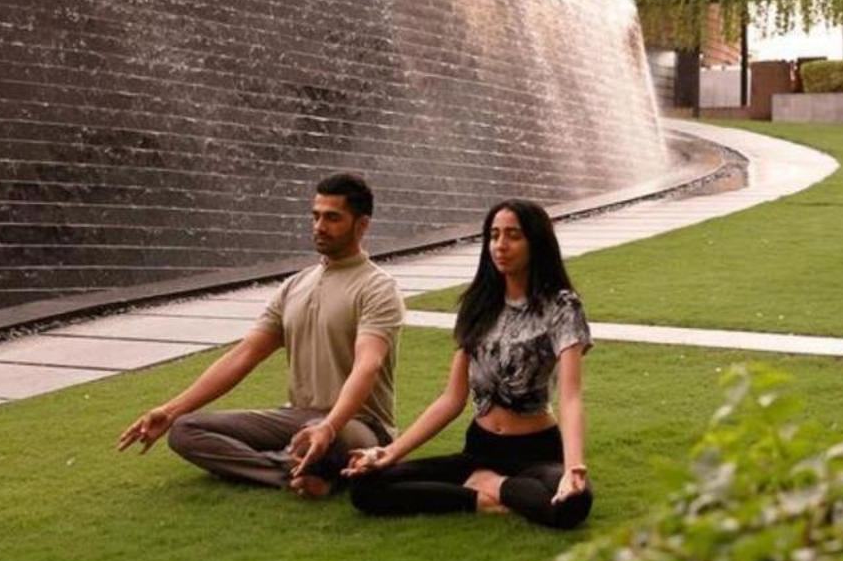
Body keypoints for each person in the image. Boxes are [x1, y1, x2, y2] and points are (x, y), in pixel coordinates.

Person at [115, 172, 402, 498]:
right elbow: (243, 355)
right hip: (298, 417)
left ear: (361, 225)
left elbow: (368, 365)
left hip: (359, 425)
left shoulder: (378, 288)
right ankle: (291, 472)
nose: (319, 226)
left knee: (328, 440)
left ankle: (319, 463)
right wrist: (170, 410)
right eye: (316, 216)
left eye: (332, 218)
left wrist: (329, 425)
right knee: (185, 431)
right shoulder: (294, 286)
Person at [344, 199, 592, 529]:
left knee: (574, 504)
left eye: (513, 236)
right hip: (480, 447)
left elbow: (570, 396)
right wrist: (389, 453)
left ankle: (491, 485)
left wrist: (573, 467)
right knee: (365, 486)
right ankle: (475, 497)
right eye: (494, 235)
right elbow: (452, 399)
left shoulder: (561, 306)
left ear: (536, 242)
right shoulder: (478, 304)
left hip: (536, 450)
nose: (500, 246)